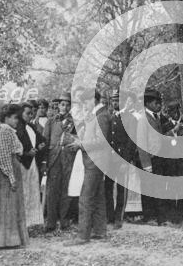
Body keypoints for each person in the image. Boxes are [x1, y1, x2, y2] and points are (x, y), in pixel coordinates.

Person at [64, 89, 111, 246]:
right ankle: (100, 231)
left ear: (94, 100)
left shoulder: (101, 116)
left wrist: (80, 144)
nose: (84, 105)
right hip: (94, 161)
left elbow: (101, 141)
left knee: (85, 197)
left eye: (86, 101)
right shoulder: (97, 115)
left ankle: (82, 236)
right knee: (97, 197)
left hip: (95, 161)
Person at [0, 104, 29, 248]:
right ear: (6, 118)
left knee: (11, 205)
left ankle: (10, 239)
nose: (17, 120)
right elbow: (3, 157)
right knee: (6, 205)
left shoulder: (10, 131)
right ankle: (3, 240)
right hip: (5, 173)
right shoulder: (5, 132)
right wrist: (11, 177)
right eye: (15, 118)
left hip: (11, 167)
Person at [42, 92, 78, 232]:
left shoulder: (75, 121)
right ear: (58, 106)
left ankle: (64, 221)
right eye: (63, 104)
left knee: (66, 190)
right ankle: (50, 222)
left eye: (68, 104)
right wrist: (44, 162)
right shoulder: (51, 121)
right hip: (53, 159)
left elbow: (77, 138)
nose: (65, 107)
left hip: (69, 158)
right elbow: (45, 142)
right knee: (52, 191)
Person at [105, 89, 138, 229]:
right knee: (107, 188)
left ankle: (119, 218)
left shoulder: (130, 119)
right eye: (113, 100)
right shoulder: (109, 117)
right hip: (109, 159)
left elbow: (131, 142)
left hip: (122, 158)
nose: (114, 102)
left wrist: (126, 160)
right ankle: (109, 217)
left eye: (117, 100)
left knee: (121, 189)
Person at [135, 88, 163, 224]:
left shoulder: (155, 117)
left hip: (158, 159)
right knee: (147, 189)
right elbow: (141, 143)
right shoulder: (143, 119)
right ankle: (149, 216)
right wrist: (146, 165)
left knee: (157, 188)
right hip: (149, 160)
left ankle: (158, 216)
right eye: (156, 103)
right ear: (148, 103)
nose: (159, 105)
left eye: (160, 102)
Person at [16, 102, 45, 229]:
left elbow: (41, 139)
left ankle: (32, 223)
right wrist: (27, 153)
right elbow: (16, 149)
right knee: (23, 192)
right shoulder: (17, 128)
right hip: (22, 164)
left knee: (32, 191)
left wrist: (39, 146)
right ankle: (22, 223)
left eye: (31, 113)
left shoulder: (31, 127)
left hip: (32, 163)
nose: (30, 115)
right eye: (27, 113)